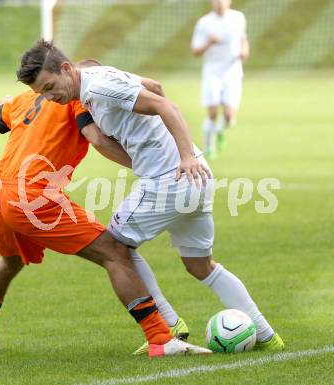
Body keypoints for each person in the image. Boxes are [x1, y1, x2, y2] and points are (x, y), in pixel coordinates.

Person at [16, 39, 284, 352]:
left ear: (66, 68)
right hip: (194, 178)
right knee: (201, 266)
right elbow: (154, 87)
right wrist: (163, 153)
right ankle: (268, 337)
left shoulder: (99, 87)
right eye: (42, 94)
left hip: (172, 177)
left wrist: (182, 156)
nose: (50, 98)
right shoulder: (96, 85)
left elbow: (165, 106)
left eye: (50, 87)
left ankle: (169, 326)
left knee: (115, 248)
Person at [0, 88, 211, 357]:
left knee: (11, 261)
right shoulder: (75, 97)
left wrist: (4, 102)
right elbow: (96, 138)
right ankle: (160, 338)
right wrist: (148, 166)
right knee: (114, 252)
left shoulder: (25, 98)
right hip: (33, 196)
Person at [191, 0, 250, 160]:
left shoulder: (238, 18)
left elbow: (242, 39)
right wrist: (209, 42)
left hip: (232, 71)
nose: (219, 3)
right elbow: (195, 51)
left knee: (230, 115)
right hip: (212, 72)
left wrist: (244, 51)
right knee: (212, 112)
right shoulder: (204, 22)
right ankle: (208, 147)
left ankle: (219, 130)